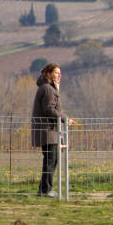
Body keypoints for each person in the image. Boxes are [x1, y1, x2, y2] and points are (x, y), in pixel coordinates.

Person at [31, 63, 75, 198]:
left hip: (50, 131)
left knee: (51, 160)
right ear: (47, 74)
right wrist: (65, 119)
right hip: (48, 131)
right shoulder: (48, 89)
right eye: (56, 73)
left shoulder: (47, 88)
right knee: (51, 160)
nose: (59, 75)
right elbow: (49, 109)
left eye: (60, 73)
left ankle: (44, 189)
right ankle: (46, 190)